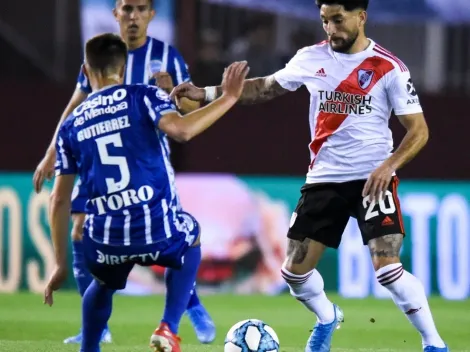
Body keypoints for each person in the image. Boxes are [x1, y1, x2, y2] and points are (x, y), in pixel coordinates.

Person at [170, 0, 449, 351]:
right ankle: (327, 316)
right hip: (324, 179)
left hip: (372, 180)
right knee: (293, 274)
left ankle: (434, 343)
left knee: (387, 269)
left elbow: (419, 131)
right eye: (325, 21)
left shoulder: (389, 67)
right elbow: (266, 87)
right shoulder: (310, 58)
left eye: (338, 20)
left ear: (361, 17)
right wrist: (208, 93)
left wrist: (389, 165)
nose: (331, 28)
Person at [43, 33, 249, 352]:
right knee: (191, 232)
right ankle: (169, 326)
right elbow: (181, 130)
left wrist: (59, 265)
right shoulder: (143, 95)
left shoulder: (70, 126)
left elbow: (58, 200)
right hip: (155, 230)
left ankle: (90, 348)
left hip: (104, 239)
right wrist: (229, 98)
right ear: (123, 70)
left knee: (102, 283)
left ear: (86, 70)